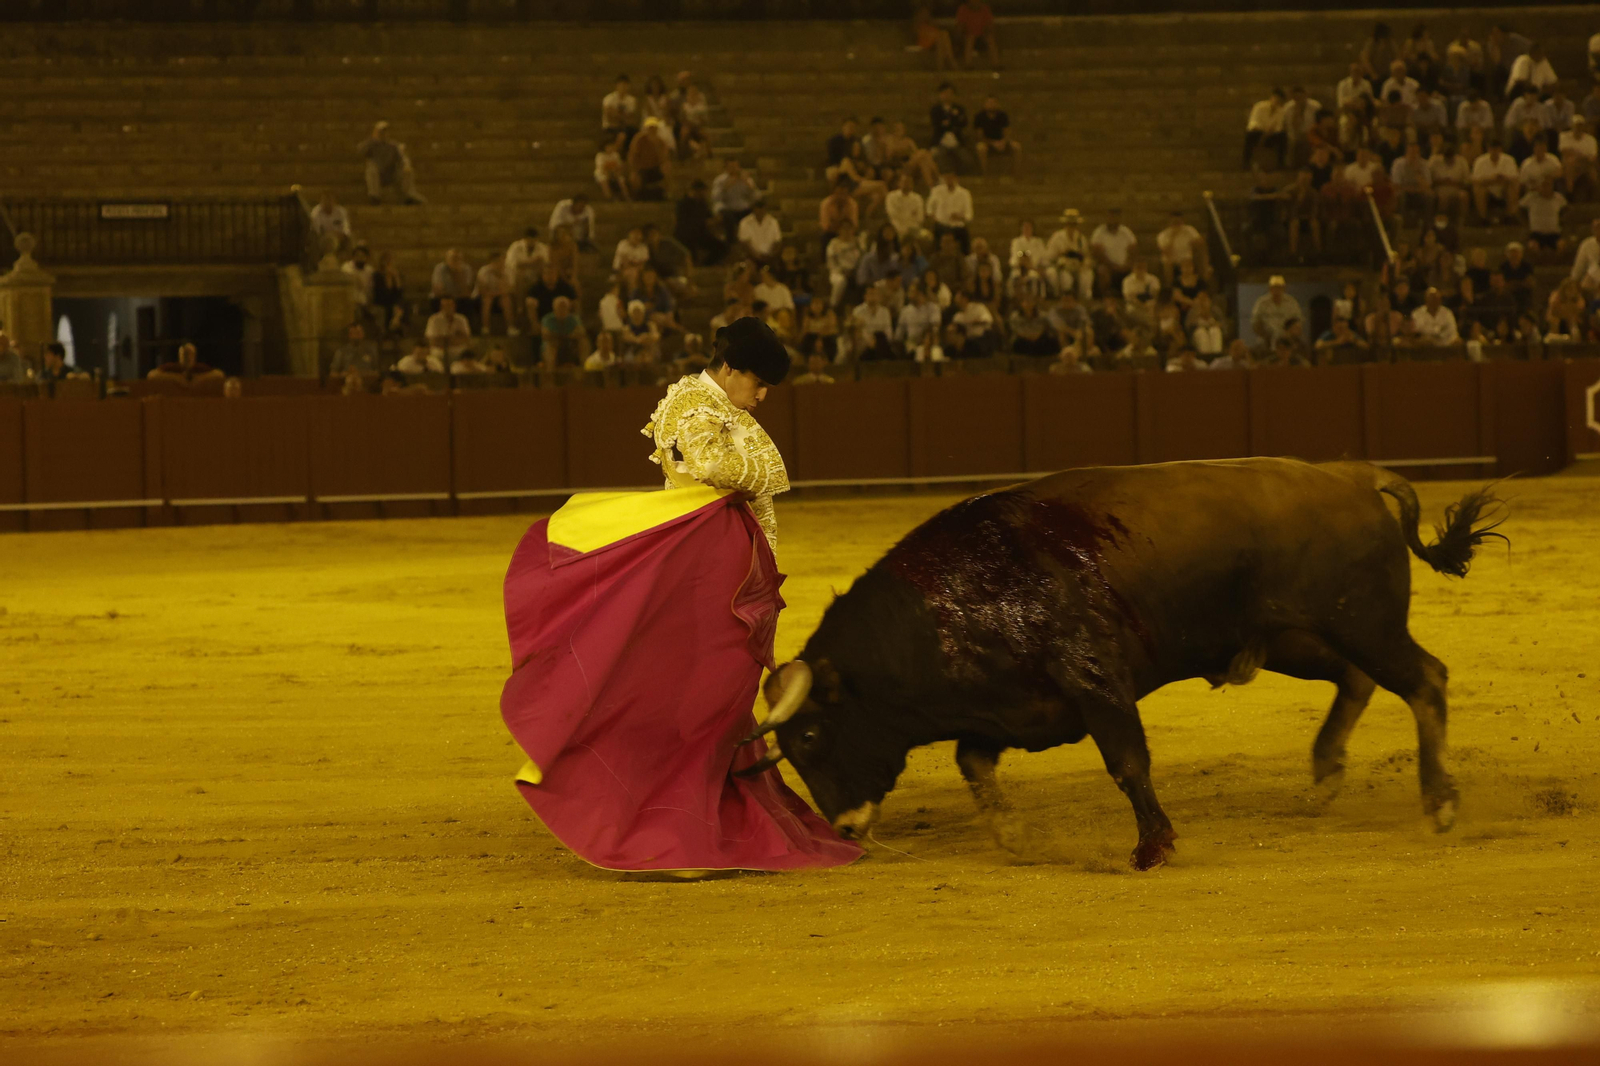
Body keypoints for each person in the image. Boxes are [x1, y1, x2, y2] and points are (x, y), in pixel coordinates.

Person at [500, 316, 857, 877]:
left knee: (721, 693)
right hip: (703, 568)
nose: (761, 395)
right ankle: (672, 828)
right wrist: (763, 469)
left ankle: (701, 818)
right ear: (731, 369)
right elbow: (712, 466)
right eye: (757, 383)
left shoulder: (714, 405)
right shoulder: (694, 405)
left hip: (716, 563)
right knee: (704, 693)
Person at [358, 121, 423, 205]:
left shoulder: (394, 145)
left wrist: (406, 166)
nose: (383, 134)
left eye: (385, 132)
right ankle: (374, 196)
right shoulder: (371, 144)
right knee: (371, 166)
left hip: (391, 174)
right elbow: (360, 151)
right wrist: (372, 139)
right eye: (381, 132)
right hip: (377, 175)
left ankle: (408, 196)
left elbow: (403, 158)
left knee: (406, 170)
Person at [1046, 208, 1094, 301]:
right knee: (1066, 279)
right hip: (1062, 267)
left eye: (1074, 224)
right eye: (1069, 224)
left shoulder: (1080, 238)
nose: (1071, 226)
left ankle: (1083, 299)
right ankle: (1062, 298)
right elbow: (1049, 256)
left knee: (1087, 275)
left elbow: (1085, 255)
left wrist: (1082, 259)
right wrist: (1062, 253)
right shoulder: (1057, 237)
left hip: (1077, 266)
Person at [676, 180, 727, 267]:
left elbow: (708, 216)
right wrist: (705, 222)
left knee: (723, 247)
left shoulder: (702, 203)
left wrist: (716, 219)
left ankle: (706, 265)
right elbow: (686, 223)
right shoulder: (683, 204)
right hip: (686, 235)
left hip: (701, 234)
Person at [711, 159, 760, 245]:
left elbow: (757, 197)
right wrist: (727, 186)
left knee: (754, 215)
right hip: (727, 208)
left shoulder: (746, 179)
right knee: (728, 216)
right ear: (726, 168)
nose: (734, 169)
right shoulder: (720, 180)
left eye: (736, 167)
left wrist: (749, 186)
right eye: (731, 167)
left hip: (742, 208)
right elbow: (715, 197)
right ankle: (730, 242)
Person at [1471, 142, 1520, 224]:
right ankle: (1482, 218)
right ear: (1488, 149)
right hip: (1487, 188)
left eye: (1496, 149)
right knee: (1478, 188)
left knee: (1513, 186)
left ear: (1500, 150)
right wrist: (1491, 179)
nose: (1494, 152)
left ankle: (1510, 217)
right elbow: (1475, 180)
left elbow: (1514, 177)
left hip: (1504, 188)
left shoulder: (1509, 160)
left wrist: (1502, 179)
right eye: (1492, 149)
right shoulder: (1480, 161)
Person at [926, 170, 973, 254]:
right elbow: (929, 208)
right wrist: (933, 217)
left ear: (956, 178)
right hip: (941, 225)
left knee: (965, 237)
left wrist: (960, 217)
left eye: (951, 177)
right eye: (946, 177)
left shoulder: (965, 193)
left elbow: (969, 215)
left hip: (958, 226)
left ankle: (965, 258)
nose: (948, 179)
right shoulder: (936, 191)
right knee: (936, 234)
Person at [1250, 275, 1301, 350]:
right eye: (1274, 287)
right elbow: (1255, 322)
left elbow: (1298, 320)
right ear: (1270, 288)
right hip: (1266, 339)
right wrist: (1264, 334)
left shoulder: (1291, 302)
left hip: (1288, 338)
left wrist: (1291, 333)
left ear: (1284, 288)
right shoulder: (1262, 303)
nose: (1277, 290)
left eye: (1279, 287)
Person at [1243, 88, 1287, 170]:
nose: (1276, 102)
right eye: (1276, 99)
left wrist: (1271, 131)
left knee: (1282, 137)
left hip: (1271, 135)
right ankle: (1246, 162)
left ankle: (1281, 163)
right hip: (1258, 133)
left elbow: (1279, 127)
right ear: (1272, 98)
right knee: (1250, 136)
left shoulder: (1281, 111)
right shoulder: (1259, 106)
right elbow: (1253, 122)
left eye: (1279, 100)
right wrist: (1263, 130)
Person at [540, 296, 590, 368]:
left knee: (584, 342)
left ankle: (585, 369)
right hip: (553, 343)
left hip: (570, 343)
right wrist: (568, 335)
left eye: (564, 307)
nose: (562, 309)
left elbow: (581, 332)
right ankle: (550, 372)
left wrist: (562, 336)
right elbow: (545, 334)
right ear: (554, 308)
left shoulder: (574, 318)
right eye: (559, 307)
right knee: (549, 346)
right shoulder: (548, 319)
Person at [973, 96, 1019, 175]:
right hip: (987, 143)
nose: (991, 105)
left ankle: (1015, 173)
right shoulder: (979, 117)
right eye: (989, 103)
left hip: (1002, 142)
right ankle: (984, 173)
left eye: (993, 103)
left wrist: (1003, 142)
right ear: (985, 104)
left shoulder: (1002, 116)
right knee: (980, 148)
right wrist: (993, 143)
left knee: (1016, 147)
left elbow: (1007, 132)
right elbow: (980, 136)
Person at [475, 252, 517, 336]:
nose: (500, 263)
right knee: (487, 300)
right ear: (491, 262)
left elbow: (509, 289)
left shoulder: (508, 271)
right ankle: (485, 327)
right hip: (487, 296)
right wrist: (493, 293)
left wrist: (501, 276)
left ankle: (511, 327)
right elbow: (482, 290)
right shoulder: (484, 271)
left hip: (501, 296)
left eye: (501, 261)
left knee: (506, 299)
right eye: (497, 261)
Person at [425, 297, 472, 363]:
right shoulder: (433, 319)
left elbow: (466, 338)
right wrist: (452, 339)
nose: (448, 307)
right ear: (441, 307)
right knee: (436, 354)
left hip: (457, 348)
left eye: (450, 305)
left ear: (454, 306)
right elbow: (432, 340)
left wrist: (445, 339)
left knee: (464, 352)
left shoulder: (462, 319)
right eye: (445, 305)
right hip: (439, 349)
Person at [737, 200, 783, 267]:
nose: (760, 211)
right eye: (758, 208)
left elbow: (778, 242)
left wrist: (770, 255)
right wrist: (756, 256)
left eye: (762, 208)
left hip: (770, 259)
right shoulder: (745, 222)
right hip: (751, 259)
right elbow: (744, 243)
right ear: (754, 209)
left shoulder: (773, 222)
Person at [955, 1, 999, 69]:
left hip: (982, 35)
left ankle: (995, 63)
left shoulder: (985, 9)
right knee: (970, 38)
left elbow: (990, 25)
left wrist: (987, 32)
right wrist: (961, 35)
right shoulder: (963, 9)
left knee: (990, 38)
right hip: (968, 36)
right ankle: (968, 64)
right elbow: (960, 27)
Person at [148, 341, 222, 382]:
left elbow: (219, 374)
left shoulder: (199, 368)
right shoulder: (174, 367)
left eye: (190, 354)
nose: (187, 357)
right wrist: (177, 378)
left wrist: (197, 379)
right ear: (179, 356)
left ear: (195, 355)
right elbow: (151, 375)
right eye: (184, 354)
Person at [601, 74, 639, 145]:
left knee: (636, 135)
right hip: (610, 127)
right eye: (621, 85)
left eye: (625, 85)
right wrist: (623, 117)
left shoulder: (631, 100)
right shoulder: (609, 99)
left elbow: (632, 118)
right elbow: (609, 117)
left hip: (626, 127)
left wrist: (616, 114)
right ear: (617, 85)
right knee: (621, 135)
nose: (623, 88)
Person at [595, 131, 630, 201]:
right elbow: (601, 168)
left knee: (621, 180)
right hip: (602, 173)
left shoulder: (615, 155)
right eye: (608, 147)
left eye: (612, 146)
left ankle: (626, 196)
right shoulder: (600, 156)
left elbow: (619, 166)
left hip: (614, 173)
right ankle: (609, 197)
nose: (610, 148)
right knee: (603, 180)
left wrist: (615, 172)